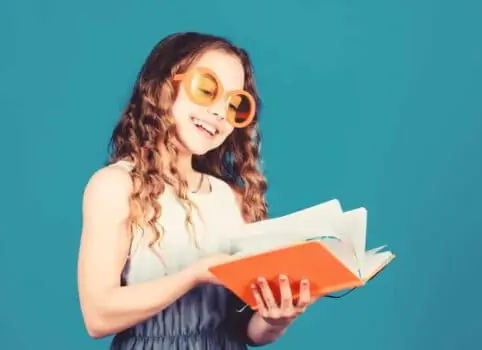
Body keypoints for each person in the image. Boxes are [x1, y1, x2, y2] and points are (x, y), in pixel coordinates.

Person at [77, 32, 316, 350]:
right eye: (207, 89)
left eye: (235, 104)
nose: (219, 112)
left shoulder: (232, 199)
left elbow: (245, 329)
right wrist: (193, 275)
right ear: (163, 85)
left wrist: (274, 320)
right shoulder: (116, 186)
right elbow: (97, 316)